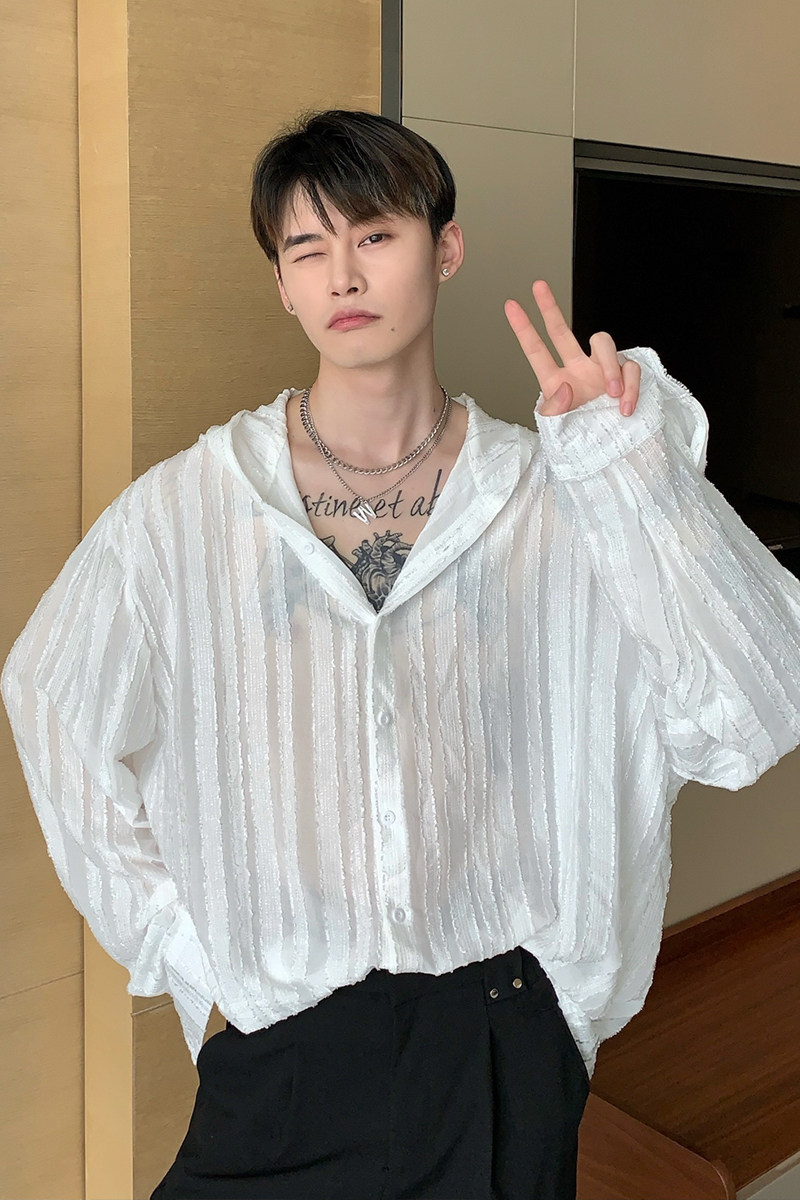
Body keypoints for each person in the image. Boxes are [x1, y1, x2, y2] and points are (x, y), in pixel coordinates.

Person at [3, 108, 800, 1200]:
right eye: (307, 248)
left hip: (500, 1034)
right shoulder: (185, 512)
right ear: (282, 285)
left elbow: (753, 711)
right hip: (279, 1042)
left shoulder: (559, 497)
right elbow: (52, 703)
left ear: (445, 247)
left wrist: (629, 474)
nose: (343, 273)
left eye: (374, 234)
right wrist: (190, 952)